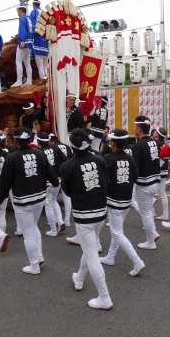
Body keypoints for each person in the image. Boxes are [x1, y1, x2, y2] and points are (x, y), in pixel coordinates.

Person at [61, 129, 113, 310]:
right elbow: (106, 182)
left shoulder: (67, 166)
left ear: (71, 145)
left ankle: (104, 297)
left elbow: (67, 191)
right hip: (100, 211)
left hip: (83, 214)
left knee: (91, 254)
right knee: (89, 248)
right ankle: (80, 277)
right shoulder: (99, 159)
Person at [0, 127, 58, 274]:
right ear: (30, 139)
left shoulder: (12, 158)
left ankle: (34, 265)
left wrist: (0, 199)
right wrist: (55, 183)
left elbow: (5, 181)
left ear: (15, 141)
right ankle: (39, 256)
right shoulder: (40, 154)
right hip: (39, 197)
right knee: (33, 226)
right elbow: (52, 175)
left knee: (28, 232)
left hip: (22, 200)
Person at [99, 128, 145, 277]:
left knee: (117, 233)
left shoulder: (107, 159)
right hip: (126, 199)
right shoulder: (129, 158)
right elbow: (136, 176)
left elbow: (102, 180)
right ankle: (110, 257)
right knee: (117, 230)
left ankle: (137, 261)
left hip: (114, 200)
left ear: (112, 142)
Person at [132, 115, 160, 250]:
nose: (134, 129)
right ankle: (153, 234)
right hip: (154, 180)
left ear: (139, 128)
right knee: (148, 211)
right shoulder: (153, 142)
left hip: (144, 183)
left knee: (146, 214)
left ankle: (150, 241)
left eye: (135, 127)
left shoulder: (139, 145)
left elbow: (135, 167)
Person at [36, 132, 67, 237]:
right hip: (58, 179)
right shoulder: (55, 148)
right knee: (53, 201)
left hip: (47, 182)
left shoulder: (38, 152)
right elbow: (65, 160)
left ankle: (53, 230)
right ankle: (60, 220)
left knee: (48, 204)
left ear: (38, 141)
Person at [12, 6, 33, 88]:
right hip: (30, 42)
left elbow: (22, 30)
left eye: (18, 11)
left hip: (24, 42)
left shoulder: (22, 19)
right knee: (27, 63)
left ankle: (19, 80)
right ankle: (29, 80)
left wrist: (22, 41)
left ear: (20, 11)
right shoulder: (29, 19)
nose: (17, 13)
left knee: (18, 61)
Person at [152, 127, 170, 221]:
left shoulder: (155, 144)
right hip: (164, 170)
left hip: (157, 171)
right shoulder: (164, 144)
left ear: (157, 134)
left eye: (155, 132)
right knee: (162, 192)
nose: (153, 133)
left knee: (150, 193)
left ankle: (153, 213)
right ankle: (165, 214)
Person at [29, 0, 48, 81]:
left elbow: (31, 25)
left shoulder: (33, 12)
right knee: (46, 66)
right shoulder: (45, 13)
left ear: (33, 5)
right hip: (46, 41)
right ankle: (47, 82)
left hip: (38, 40)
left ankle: (43, 80)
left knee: (40, 66)